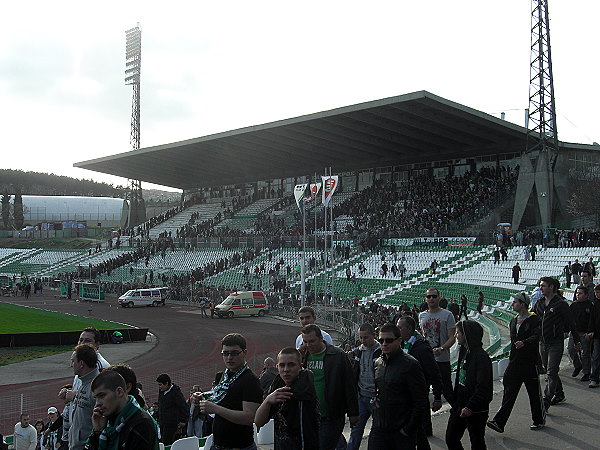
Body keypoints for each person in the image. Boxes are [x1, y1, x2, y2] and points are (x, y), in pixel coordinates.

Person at [487, 292, 545, 433]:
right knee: (509, 393)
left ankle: (538, 420)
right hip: (515, 362)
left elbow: (537, 336)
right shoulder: (513, 321)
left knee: (534, 393)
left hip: (530, 362)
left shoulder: (534, 319)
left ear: (523, 304)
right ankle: (499, 422)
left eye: (515, 302)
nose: (512, 304)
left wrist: (524, 343)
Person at [196, 333, 263, 450]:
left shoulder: (250, 381)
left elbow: (249, 417)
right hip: (218, 444)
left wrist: (214, 408)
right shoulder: (226, 375)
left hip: (239, 446)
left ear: (245, 353)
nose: (229, 357)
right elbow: (221, 397)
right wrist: (202, 397)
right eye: (225, 353)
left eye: (234, 353)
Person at [369, 323, 428, 449]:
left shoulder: (411, 365)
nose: (384, 343)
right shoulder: (377, 363)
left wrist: (408, 429)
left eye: (389, 340)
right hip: (379, 429)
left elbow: (420, 401)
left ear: (399, 340)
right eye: (381, 340)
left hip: (401, 432)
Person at [301, 324, 359, 450]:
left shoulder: (338, 355)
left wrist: (353, 413)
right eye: (305, 341)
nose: (308, 345)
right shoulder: (303, 355)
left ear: (321, 338)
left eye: (312, 341)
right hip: (310, 416)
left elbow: (349, 385)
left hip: (330, 416)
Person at [255, 347, 320, 450]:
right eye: (282, 365)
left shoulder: (305, 387)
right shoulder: (277, 388)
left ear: (300, 366)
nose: (286, 370)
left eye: (291, 365)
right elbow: (258, 421)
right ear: (277, 367)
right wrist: (267, 401)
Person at [445, 320, 493, 450]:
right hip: (459, 404)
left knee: (477, 442)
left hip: (476, 409)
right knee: (451, 438)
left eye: (458, 332)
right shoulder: (463, 351)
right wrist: (456, 403)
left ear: (467, 335)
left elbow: (483, 388)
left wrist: (470, 407)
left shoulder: (482, 358)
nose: (456, 335)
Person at [534, 277, 581, 408]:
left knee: (551, 371)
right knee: (550, 370)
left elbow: (571, 323)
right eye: (540, 286)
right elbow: (533, 319)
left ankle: (546, 399)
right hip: (542, 342)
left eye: (543, 286)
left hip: (555, 342)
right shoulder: (539, 303)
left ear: (551, 287)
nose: (541, 288)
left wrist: (577, 341)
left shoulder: (560, 304)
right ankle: (559, 393)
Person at [397, 315, 443, 449]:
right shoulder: (402, 344)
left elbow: (434, 372)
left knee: (417, 430)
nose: (397, 330)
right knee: (419, 431)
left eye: (400, 327)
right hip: (407, 393)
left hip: (418, 393)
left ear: (409, 329)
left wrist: (437, 397)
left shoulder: (422, 348)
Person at [84, 370, 158, 449]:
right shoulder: (107, 421)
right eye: (96, 398)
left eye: (102, 396)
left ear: (119, 392)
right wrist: (97, 432)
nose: (97, 404)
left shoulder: (141, 423)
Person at [346, 324, 381, 450]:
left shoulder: (381, 351)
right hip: (362, 396)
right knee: (355, 431)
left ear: (374, 335)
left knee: (376, 433)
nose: (362, 340)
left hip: (376, 398)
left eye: (365, 337)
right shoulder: (358, 351)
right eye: (360, 338)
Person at [419, 287, 456, 403]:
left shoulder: (448, 315)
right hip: (426, 360)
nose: (431, 299)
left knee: (447, 391)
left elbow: (452, 337)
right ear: (425, 299)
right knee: (422, 391)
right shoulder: (421, 316)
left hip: (442, 360)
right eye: (429, 296)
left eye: (434, 296)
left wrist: (442, 348)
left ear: (439, 298)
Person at [69, 344, 100, 450]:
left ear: (81, 364)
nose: (71, 365)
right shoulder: (84, 382)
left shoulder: (97, 387)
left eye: (73, 361)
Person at [568, 285, 594, 382]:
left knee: (585, 353)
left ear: (586, 295)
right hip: (574, 332)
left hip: (585, 333)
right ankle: (577, 365)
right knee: (571, 349)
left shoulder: (590, 306)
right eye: (577, 293)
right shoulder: (573, 305)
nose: (578, 295)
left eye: (580, 293)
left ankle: (586, 372)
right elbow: (569, 319)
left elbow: (592, 320)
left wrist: (590, 331)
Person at [156, 373, 187, 445]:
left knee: (168, 442)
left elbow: (183, 406)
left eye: (160, 385)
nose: (159, 387)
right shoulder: (161, 391)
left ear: (166, 383)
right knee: (163, 441)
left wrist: (183, 420)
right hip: (162, 422)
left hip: (171, 423)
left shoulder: (175, 392)